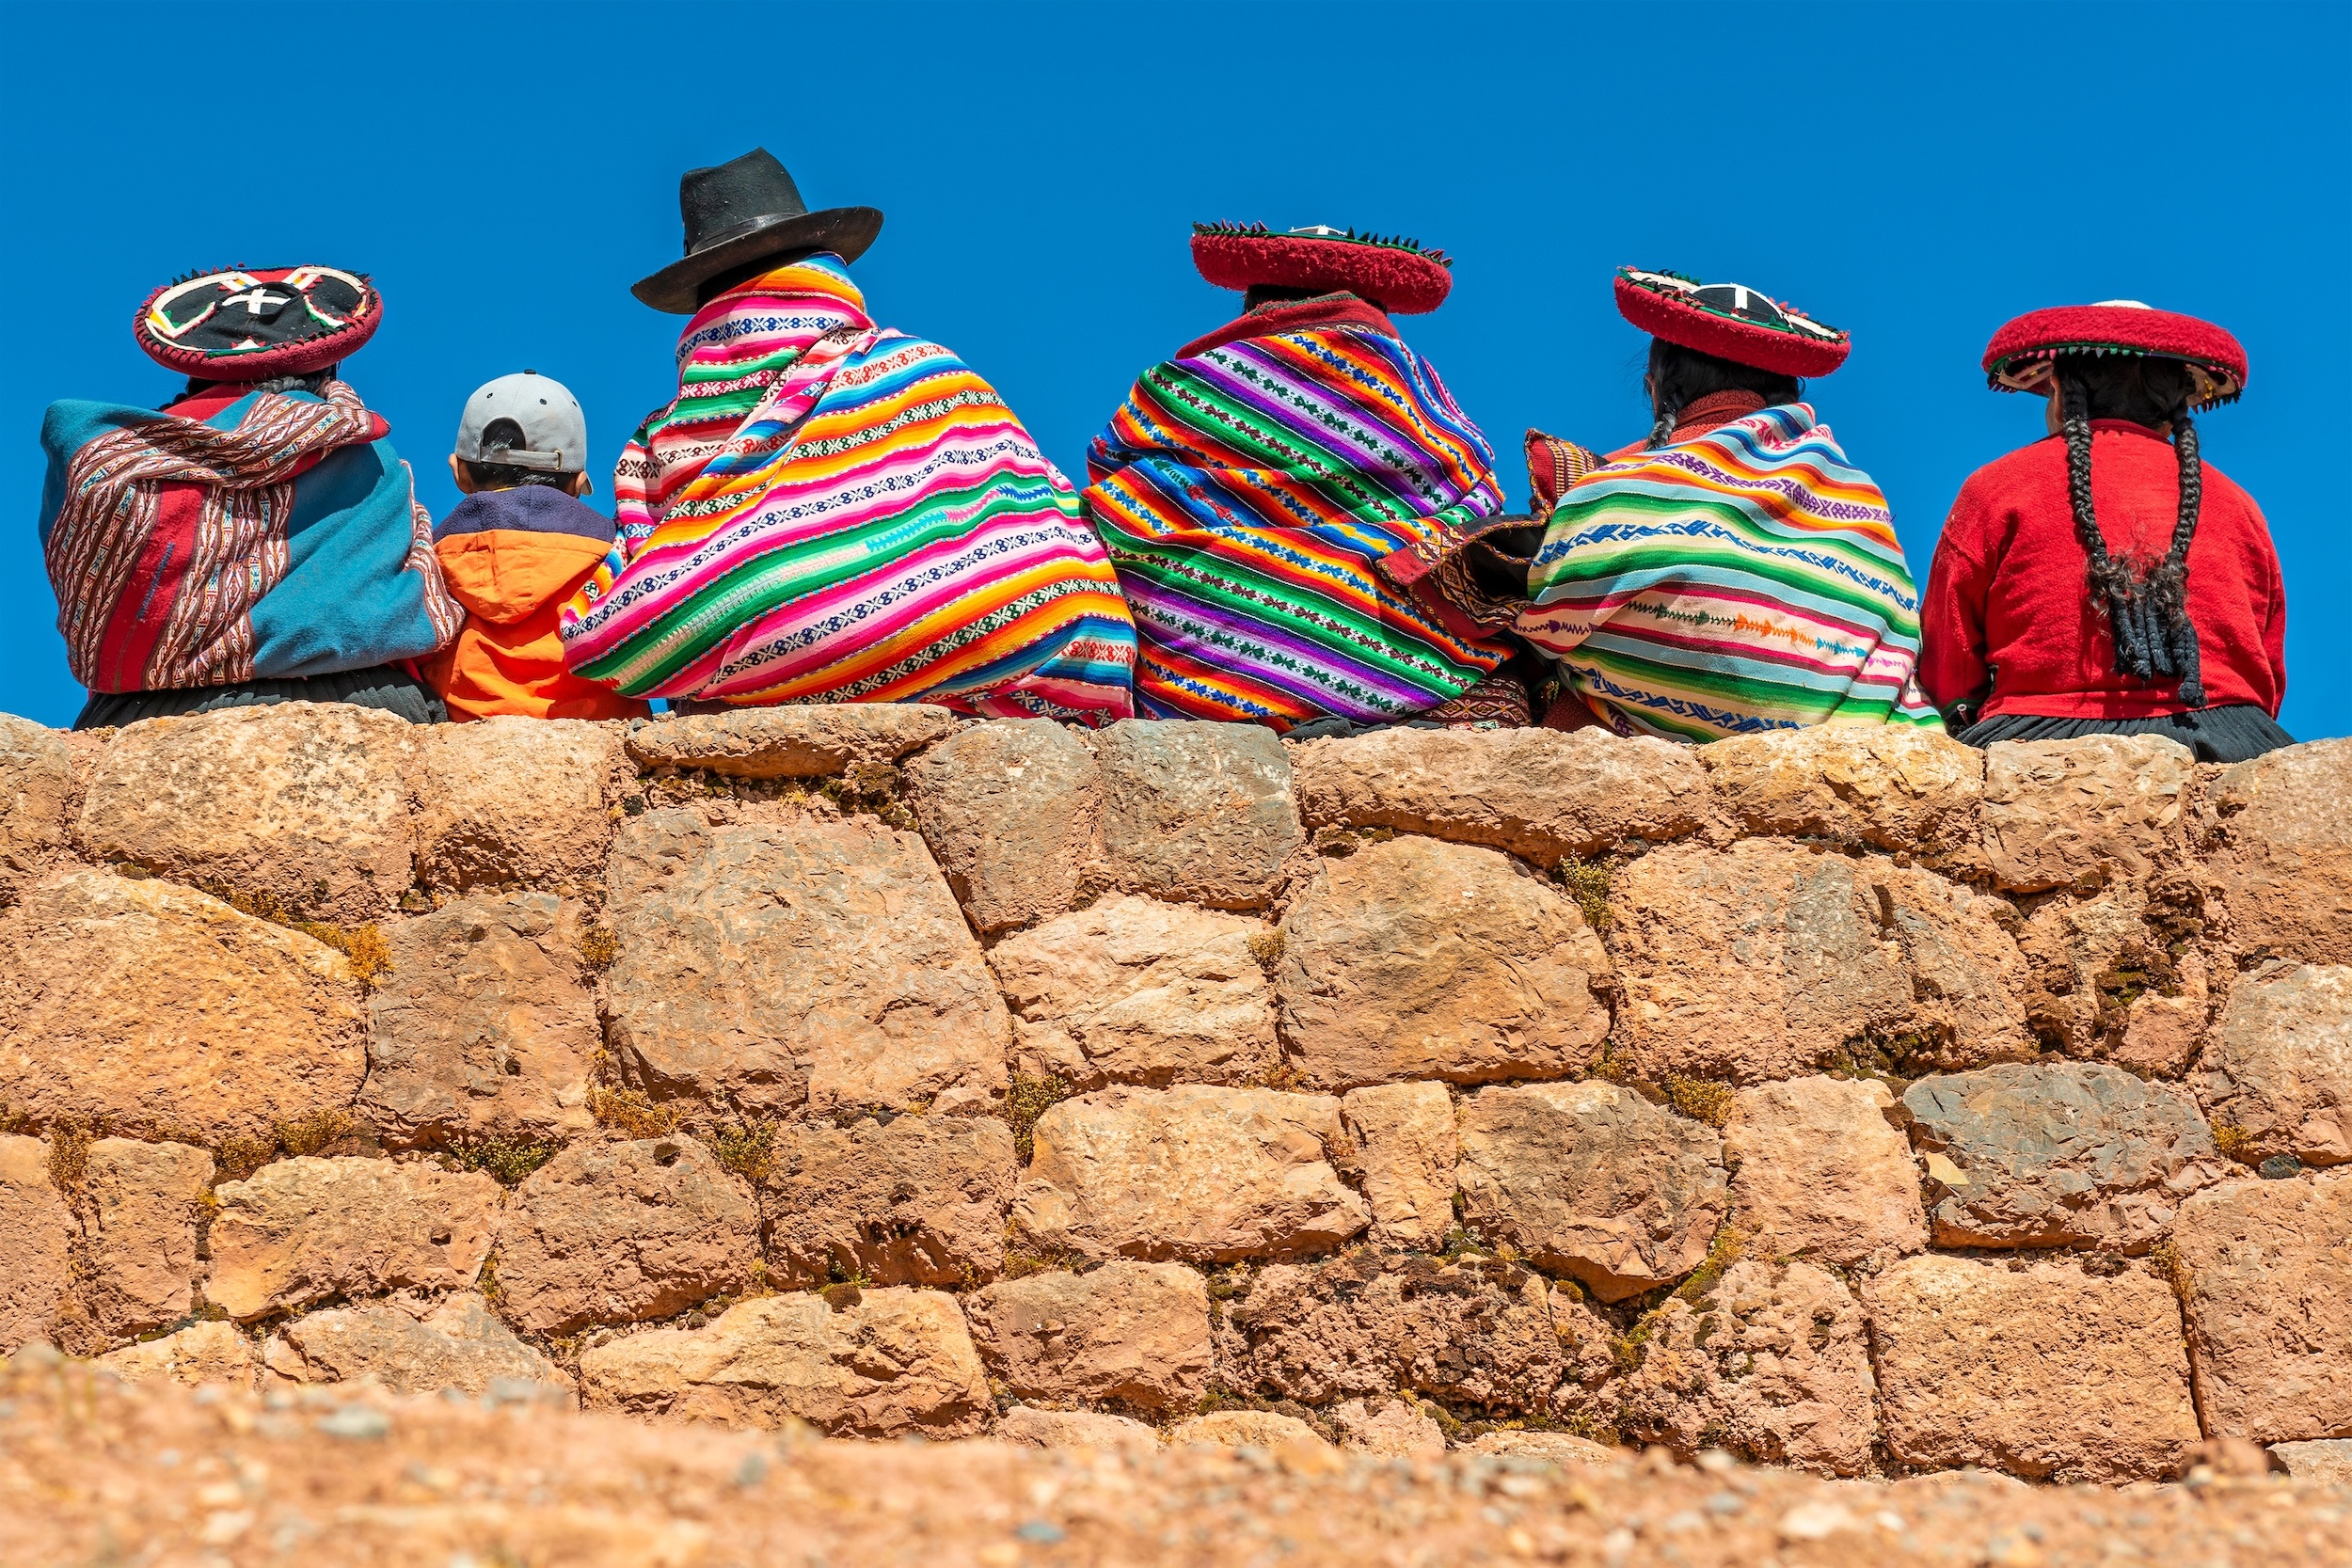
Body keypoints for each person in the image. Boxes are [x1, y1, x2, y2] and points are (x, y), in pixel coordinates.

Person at [559, 149, 1135, 721]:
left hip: (761, 693)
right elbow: (1044, 522)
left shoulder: (659, 443)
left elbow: (634, 605)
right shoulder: (924, 370)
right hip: (1011, 656)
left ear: (707, 309)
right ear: (824, 272)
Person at [1081, 222, 1531, 733]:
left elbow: (1110, 471)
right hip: (1408, 666)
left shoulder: (1190, 386)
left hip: (1208, 681)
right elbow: (1477, 496)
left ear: (1255, 306)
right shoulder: (1412, 389)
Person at [1516, 267, 1942, 740]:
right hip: (1861, 743)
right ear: (1786, 394)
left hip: (1655, 757)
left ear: (1657, 389)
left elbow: (1549, 623)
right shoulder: (1859, 496)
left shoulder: (1619, 490)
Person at [40, 266, 460, 729]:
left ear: (196, 367)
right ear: (327, 367)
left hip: (143, 713)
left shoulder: (103, 461)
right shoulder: (364, 451)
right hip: (360, 703)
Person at [1919, 302, 2290, 762]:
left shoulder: (1996, 487)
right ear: (2177, 403)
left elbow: (1948, 663)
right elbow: (2266, 667)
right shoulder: (2239, 504)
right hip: (2229, 740)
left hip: (2038, 742)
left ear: (2058, 387)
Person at [421, 372, 649, 722]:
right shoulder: (623, 556)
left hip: (462, 732)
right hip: (604, 732)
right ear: (577, 482)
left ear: (459, 473)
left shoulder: (427, 561)